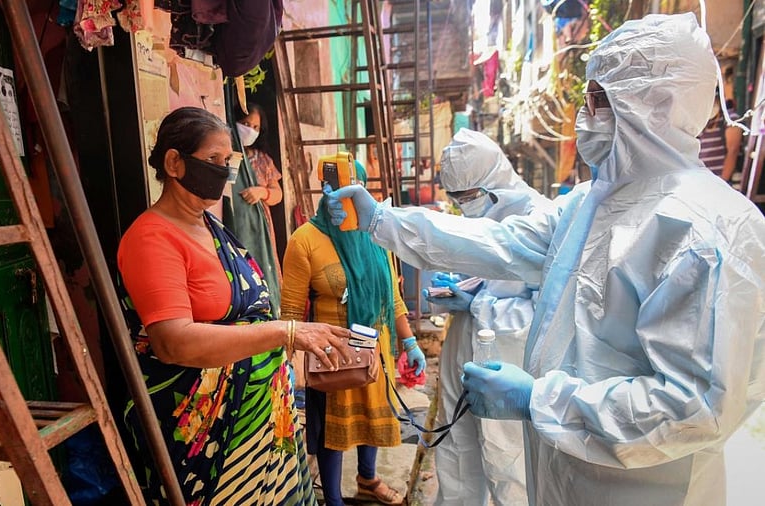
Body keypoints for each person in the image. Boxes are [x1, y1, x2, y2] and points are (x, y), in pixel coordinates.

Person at [326, 14, 765, 506]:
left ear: (648, 104)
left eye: (596, 98)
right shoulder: (591, 204)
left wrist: (540, 400)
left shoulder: (707, 231)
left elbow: (695, 407)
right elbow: (499, 244)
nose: (584, 114)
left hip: (643, 489)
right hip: (559, 469)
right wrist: (382, 220)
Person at [117, 107, 354, 505]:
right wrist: (286, 332)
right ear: (174, 163)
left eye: (227, 162)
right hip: (206, 437)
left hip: (262, 421)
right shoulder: (151, 238)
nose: (224, 172)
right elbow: (173, 342)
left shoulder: (212, 226)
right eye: (213, 160)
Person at [280, 161, 426, 506]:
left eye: (353, 185)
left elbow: (392, 297)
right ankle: (332, 499)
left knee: (371, 415)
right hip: (331, 352)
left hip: (375, 345)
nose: (343, 196)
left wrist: (410, 342)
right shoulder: (305, 239)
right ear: (324, 191)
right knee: (333, 428)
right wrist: (290, 360)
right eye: (335, 187)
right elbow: (290, 312)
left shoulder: (377, 235)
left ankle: (367, 479)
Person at [424, 128, 549, 505]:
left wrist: (478, 305)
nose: (462, 204)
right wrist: (459, 287)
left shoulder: (538, 217)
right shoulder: (478, 217)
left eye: (467, 196)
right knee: (456, 451)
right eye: (454, 197)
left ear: (493, 181)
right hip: (462, 343)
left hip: (507, 362)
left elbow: (541, 313)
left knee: (506, 459)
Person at [231, 102, 284, 312]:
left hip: (260, 226)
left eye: (255, 127)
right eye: (245, 124)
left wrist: (262, 192)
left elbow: (278, 194)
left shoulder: (262, 159)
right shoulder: (228, 154)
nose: (250, 130)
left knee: (263, 265)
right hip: (235, 223)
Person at [698, 94, 742, 184]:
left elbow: (733, 151)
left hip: (722, 183)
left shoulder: (730, 119)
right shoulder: (701, 122)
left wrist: (723, 182)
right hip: (705, 182)